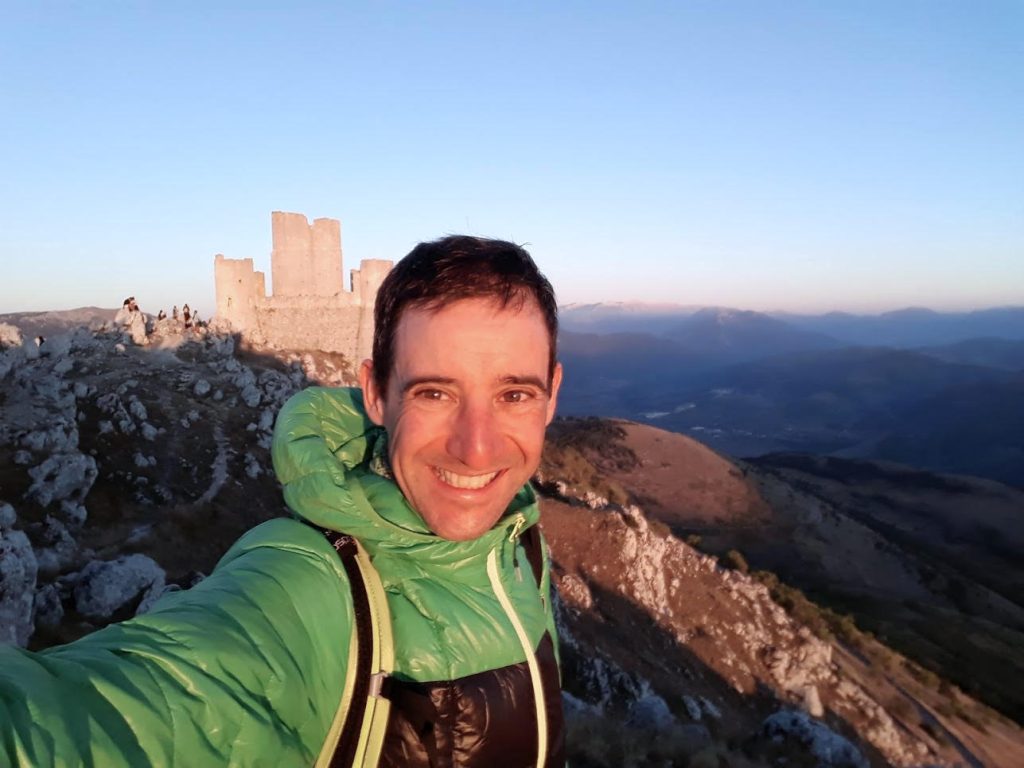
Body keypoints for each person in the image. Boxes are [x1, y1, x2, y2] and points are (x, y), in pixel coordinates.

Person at [0, 236, 566, 767]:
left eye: (514, 394)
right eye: (434, 393)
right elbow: (90, 725)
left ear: (551, 396)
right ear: (374, 393)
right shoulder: (302, 591)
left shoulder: (521, 544)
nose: (476, 448)